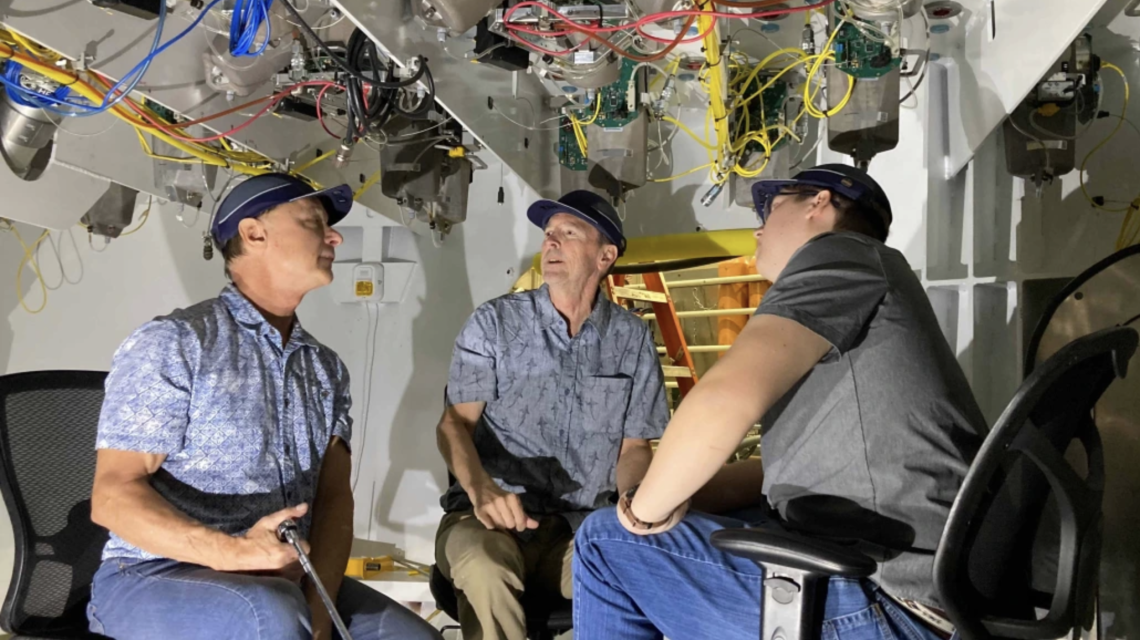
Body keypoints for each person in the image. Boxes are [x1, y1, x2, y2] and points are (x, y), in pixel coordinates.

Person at [573, 165, 989, 640]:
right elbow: (776, 473)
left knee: (605, 543)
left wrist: (640, 511)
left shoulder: (840, 255)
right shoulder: (865, 288)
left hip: (887, 602)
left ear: (819, 204)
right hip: (918, 593)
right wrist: (679, 491)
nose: (758, 227)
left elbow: (725, 398)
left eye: (771, 207)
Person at [87, 173, 440, 640]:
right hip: (153, 575)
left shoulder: (325, 369)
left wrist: (320, 609)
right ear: (254, 234)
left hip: (286, 580)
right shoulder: (175, 344)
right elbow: (112, 497)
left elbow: (335, 499)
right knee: (267, 616)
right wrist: (234, 555)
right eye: (314, 220)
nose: (334, 235)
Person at [435, 190, 669, 640]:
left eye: (568, 232)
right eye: (548, 234)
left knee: (651, 571)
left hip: (581, 532)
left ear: (605, 256)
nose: (551, 243)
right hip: (488, 523)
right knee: (485, 569)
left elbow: (634, 447)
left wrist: (636, 506)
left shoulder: (632, 339)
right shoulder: (494, 324)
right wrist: (482, 489)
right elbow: (454, 424)